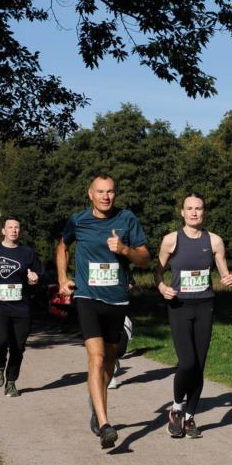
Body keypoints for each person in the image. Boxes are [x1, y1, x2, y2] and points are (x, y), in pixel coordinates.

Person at [56, 173, 151, 449]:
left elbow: (145, 258)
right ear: (90, 194)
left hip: (117, 300)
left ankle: (95, 403)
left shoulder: (127, 219)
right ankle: (105, 424)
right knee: (96, 359)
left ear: (115, 194)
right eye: (100, 192)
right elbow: (62, 246)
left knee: (109, 361)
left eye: (110, 191)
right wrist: (63, 278)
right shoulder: (78, 220)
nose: (105, 196)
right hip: (87, 297)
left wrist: (124, 249)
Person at [154, 194, 232, 438]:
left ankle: (189, 417)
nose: (194, 213)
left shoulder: (214, 241)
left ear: (204, 212)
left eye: (198, 208)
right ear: (182, 212)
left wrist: (228, 279)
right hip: (179, 306)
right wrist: (161, 287)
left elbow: (224, 272)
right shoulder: (171, 240)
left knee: (199, 366)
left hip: (204, 306)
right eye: (189, 208)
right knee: (187, 363)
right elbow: (157, 272)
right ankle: (176, 408)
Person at [0, 217, 43, 398]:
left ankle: (11, 382)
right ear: (3, 231)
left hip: (21, 307)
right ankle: (0, 365)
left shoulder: (28, 253)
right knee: (0, 341)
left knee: (18, 346)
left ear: (19, 231)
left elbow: (40, 274)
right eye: (10, 227)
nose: (14, 230)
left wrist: (35, 279)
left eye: (17, 227)